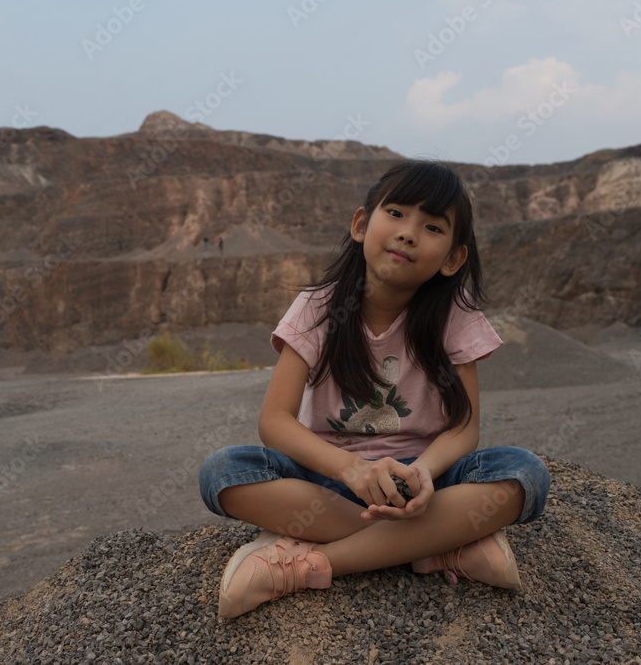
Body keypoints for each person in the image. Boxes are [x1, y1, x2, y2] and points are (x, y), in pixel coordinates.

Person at [198, 160, 551, 619]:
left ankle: (312, 564)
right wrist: (353, 472)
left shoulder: (454, 319)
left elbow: (464, 429)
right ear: (362, 224)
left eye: (432, 227)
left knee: (524, 474)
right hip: (330, 480)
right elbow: (275, 422)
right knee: (223, 472)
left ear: (452, 258)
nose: (408, 234)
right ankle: (436, 544)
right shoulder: (317, 308)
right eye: (397, 213)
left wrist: (423, 472)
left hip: (421, 486)